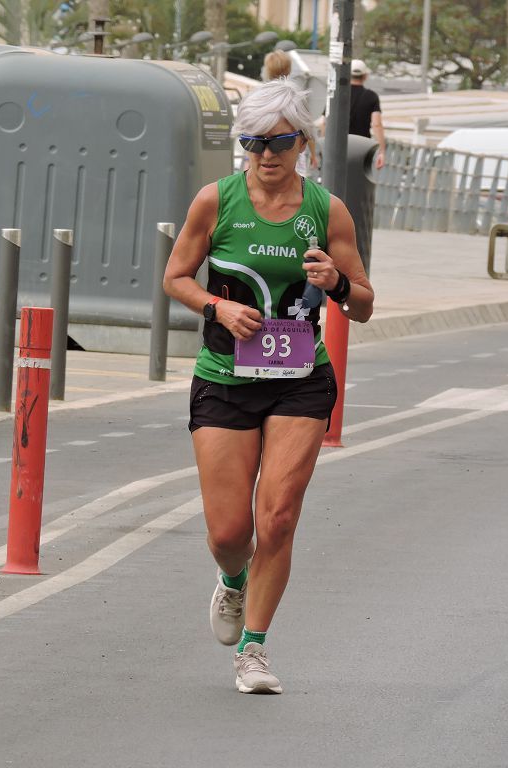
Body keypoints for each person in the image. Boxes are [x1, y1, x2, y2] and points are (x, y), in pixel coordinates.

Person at [162, 79, 374, 695]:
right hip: (225, 379)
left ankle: (253, 651)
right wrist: (216, 310)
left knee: (277, 518)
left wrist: (335, 282)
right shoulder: (216, 201)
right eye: (253, 142)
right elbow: (176, 276)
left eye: (279, 141)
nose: (266, 155)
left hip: (300, 382)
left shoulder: (326, 210)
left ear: (303, 142)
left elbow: (362, 306)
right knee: (231, 533)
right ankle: (232, 579)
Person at [348, 59, 386, 169]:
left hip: (338, 147)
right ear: (365, 76)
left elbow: (324, 123)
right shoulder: (371, 96)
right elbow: (376, 124)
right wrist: (381, 152)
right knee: (358, 182)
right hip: (363, 148)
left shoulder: (336, 94)